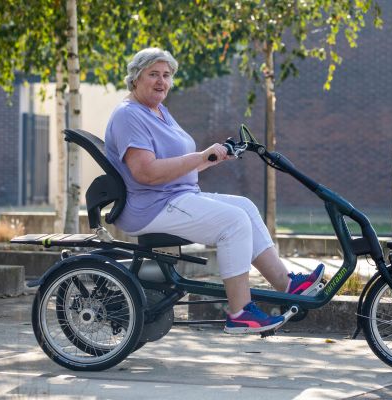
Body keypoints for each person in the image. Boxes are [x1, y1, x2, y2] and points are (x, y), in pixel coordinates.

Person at [105, 47, 325, 334]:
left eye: (167, 75)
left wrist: (212, 158)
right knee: (233, 223)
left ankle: (287, 285)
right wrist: (200, 157)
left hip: (174, 197)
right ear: (135, 78)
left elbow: (177, 164)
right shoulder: (129, 115)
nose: (161, 81)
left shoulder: (158, 111)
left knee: (244, 206)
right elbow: (145, 173)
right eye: (153, 74)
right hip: (151, 205)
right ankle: (240, 312)